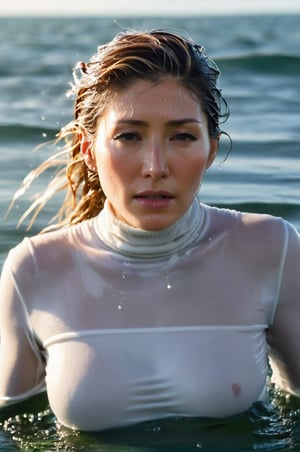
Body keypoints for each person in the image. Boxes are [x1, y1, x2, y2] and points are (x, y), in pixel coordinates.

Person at [0, 29, 300, 433]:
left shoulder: (270, 248)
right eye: (128, 136)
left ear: (210, 149)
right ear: (89, 151)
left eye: (181, 136)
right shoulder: (34, 269)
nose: (155, 166)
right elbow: (15, 428)